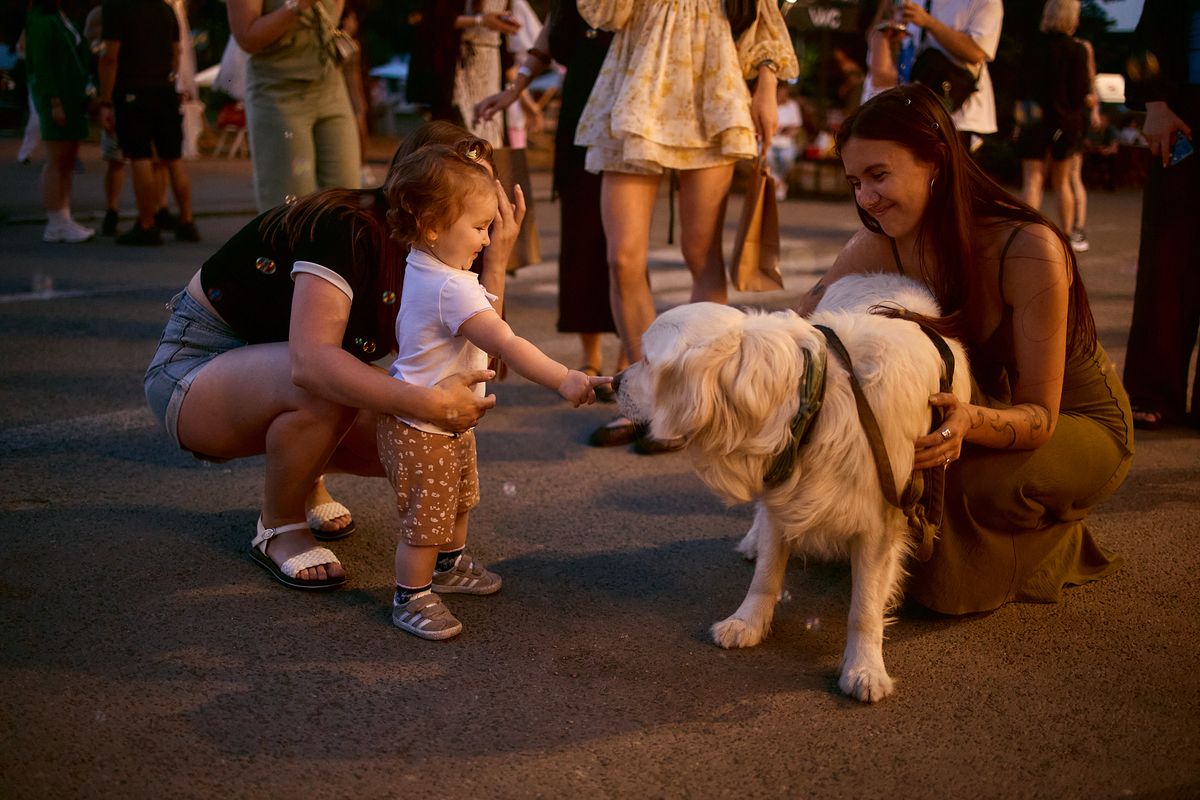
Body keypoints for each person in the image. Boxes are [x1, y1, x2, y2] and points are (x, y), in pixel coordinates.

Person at [143, 122, 526, 591]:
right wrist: (428, 402)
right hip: (193, 372)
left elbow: (479, 365)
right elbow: (312, 364)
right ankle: (279, 527)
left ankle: (308, 479)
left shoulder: (439, 249)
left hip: (266, 372)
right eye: (468, 184)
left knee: (422, 439)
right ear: (418, 195)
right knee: (335, 379)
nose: (486, 203)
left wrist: (497, 261)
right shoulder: (346, 226)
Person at [797, 84, 1133, 615]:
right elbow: (797, 330)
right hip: (980, 403)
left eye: (879, 175)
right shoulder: (876, 242)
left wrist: (967, 424)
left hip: (1076, 421)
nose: (866, 198)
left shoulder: (1028, 246)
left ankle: (1051, 534)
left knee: (952, 491)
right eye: (855, 182)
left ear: (935, 161)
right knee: (905, 477)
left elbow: (1041, 416)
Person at [383, 142, 607, 639]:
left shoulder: (426, 264)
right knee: (427, 521)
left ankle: (448, 566)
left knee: (456, 502)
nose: (487, 239)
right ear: (432, 226)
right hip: (426, 428)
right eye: (480, 227)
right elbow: (505, 341)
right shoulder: (452, 287)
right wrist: (564, 377)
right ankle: (411, 596)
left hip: (437, 421)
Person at [573, 0, 798, 452]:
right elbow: (604, 13)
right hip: (636, 86)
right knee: (622, 258)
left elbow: (765, 22)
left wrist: (766, 88)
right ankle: (645, 397)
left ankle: (697, 395)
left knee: (701, 253)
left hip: (712, 86)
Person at [473, 0, 624, 402]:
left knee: (624, 248)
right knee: (581, 242)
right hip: (577, 119)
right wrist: (514, 90)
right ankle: (591, 357)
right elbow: (544, 41)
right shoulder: (568, 4)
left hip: (625, 120)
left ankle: (629, 359)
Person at [1122, 0, 1200, 430]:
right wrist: (1154, 101)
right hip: (1185, 106)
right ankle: (1154, 391)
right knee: (1168, 254)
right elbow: (1154, 24)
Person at [226, 0, 361, 212]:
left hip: (331, 86)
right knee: (291, 209)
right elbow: (247, 38)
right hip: (280, 96)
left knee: (347, 201)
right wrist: (297, 6)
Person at [98, 0, 199, 244]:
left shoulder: (116, 8)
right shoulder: (165, 9)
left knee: (139, 156)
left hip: (133, 90)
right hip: (163, 89)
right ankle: (186, 221)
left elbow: (110, 57)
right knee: (173, 157)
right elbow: (176, 53)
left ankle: (147, 224)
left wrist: (105, 100)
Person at [1014, 0, 1091, 246]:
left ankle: (1025, 235)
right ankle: (1066, 236)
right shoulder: (1077, 50)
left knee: (1032, 179)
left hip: (1033, 119)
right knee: (1062, 182)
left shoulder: (1032, 47)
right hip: (1064, 121)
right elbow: (1080, 92)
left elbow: (1021, 86)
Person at [23, 0, 94, 243]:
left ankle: (64, 217)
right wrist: (53, 101)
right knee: (56, 159)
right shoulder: (41, 20)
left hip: (72, 96)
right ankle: (56, 221)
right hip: (58, 97)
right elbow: (42, 63)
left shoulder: (60, 17)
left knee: (67, 159)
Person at [896, 0, 1002, 153]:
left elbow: (976, 52)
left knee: (951, 168)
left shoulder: (987, 2)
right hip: (918, 110)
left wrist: (928, 22)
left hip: (961, 117)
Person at [768, 81, 802, 200]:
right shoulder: (769, 104)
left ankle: (777, 182)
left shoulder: (793, 106)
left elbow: (796, 127)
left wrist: (785, 131)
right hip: (769, 140)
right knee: (768, 157)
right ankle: (780, 184)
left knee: (787, 158)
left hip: (786, 141)